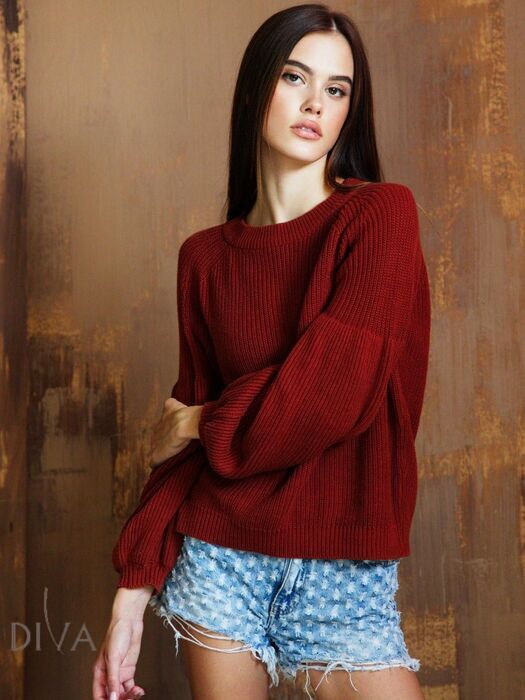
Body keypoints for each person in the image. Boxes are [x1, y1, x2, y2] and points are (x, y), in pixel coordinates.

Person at [92, 4, 431, 700]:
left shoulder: (379, 216)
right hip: (220, 557)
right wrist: (132, 589)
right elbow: (181, 458)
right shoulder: (203, 259)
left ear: (349, 111)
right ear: (256, 90)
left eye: (336, 89)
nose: (315, 104)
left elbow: (330, 396)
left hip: (343, 568)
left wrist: (201, 420)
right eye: (295, 78)